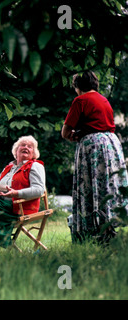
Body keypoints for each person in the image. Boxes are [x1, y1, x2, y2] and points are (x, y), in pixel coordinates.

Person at [61, 70, 128, 244]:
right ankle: (109, 225)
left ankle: (92, 229)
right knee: (108, 185)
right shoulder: (104, 100)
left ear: (78, 86)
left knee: (90, 185)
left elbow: (65, 132)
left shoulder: (80, 100)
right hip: (111, 143)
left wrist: (74, 135)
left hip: (93, 146)